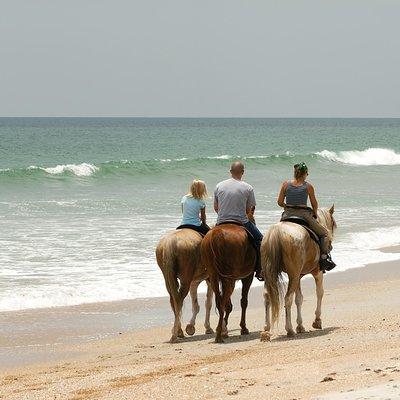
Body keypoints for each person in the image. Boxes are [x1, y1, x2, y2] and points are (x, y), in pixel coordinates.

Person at [277, 162, 336, 271]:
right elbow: (314, 204)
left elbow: (279, 202)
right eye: (307, 174)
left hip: (287, 214)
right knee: (324, 234)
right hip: (303, 214)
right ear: (304, 174)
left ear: (295, 173)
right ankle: (324, 258)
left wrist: (286, 206)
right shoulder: (308, 186)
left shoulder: (285, 184)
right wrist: (314, 212)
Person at [214, 161, 264, 281]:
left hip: (221, 221)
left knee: (205, 241)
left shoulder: (219, 186)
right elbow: (249, 210)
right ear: (242, 172)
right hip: (242, 221)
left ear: (230, 172)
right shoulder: (247, 187)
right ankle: (260, 269)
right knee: (261, 240)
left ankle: (205, 268)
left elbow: (216, 208)